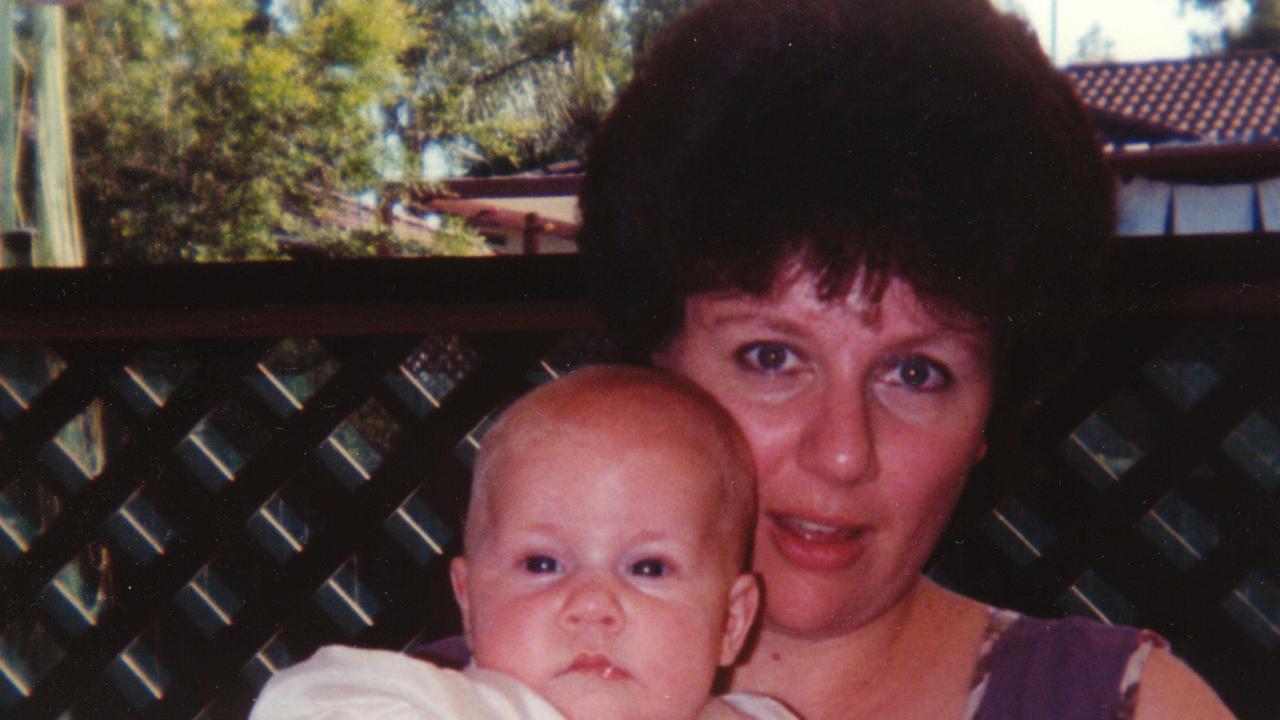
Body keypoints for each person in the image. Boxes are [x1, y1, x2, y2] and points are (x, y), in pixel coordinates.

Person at [574, 0, 1238, 719]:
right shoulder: (453, 701)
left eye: (915, 374)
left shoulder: (1127, 709)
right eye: (770, 357)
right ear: (654, 363)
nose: (841, 453)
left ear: (990, 410)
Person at [250, 366, 797, 720]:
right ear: (469, 600)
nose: (591, 607)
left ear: (731, 622)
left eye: (649, 568)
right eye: (542, 563)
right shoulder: (438, 707)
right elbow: (301, 704)